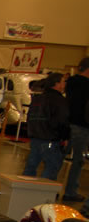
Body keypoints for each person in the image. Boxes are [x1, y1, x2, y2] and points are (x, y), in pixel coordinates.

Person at [21, 72, 69, 181]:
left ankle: (23, 191)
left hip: (35, 138)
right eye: (63, 82)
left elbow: (30, 117)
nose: (65, 84)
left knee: (30, 167)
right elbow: (62, 120)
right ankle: (43, 194)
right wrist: (65, 137)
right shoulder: (59, 101)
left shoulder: (37, 98)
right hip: (50, 139)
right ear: (57, 84)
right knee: (51, 168)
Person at [64, 57, 89, 204]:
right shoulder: (86, 85)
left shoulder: (70, 82)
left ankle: (51, 186)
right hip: (82, 126)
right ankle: (71, 191)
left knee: (57, 159)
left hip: (66, 125)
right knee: (78, 161)